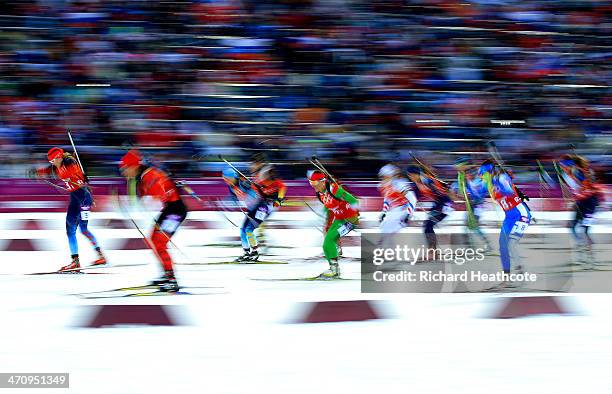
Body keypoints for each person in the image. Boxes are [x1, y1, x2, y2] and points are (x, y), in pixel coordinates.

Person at [118, 150, 187, 292]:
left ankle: (171, 279)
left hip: (176, 210)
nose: (123, 173)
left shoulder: (150, 175)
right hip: (169, 209)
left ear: (133, 166)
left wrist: (132, 206)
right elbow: (144, 200)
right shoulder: (140, 177)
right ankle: (166, 274)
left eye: (125, 169)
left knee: (159, 242)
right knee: (153, 240)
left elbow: (155, 199)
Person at [29, 147, 105, 272]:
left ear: (59, 157)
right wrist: (37, 173)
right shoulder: (56, 165)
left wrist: (80, 175)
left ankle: (100, 256)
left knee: (84, 230)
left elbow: (72, 170)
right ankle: (75, 261)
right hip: (74, 199)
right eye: (51, 161)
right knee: (70, 230)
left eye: (53, 160)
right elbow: (47, 170)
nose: (52, 163)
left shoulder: (69, 161)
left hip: (84, 199)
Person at [478, 160, 531, 284]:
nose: (481, 176)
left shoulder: (501, 178)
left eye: (483, 174)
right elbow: (478, 192)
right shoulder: (489, 184)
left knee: (511, 244)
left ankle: (520, 272)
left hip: (520, 214)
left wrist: (500, 184)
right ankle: (506, 277)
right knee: (502, 245)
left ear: (489, 172)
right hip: (509, 217)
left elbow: (510, 192)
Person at [225, 163, 286, 262]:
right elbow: (234, 197)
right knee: (242, 230)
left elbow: (256, 189)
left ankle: (255, 252)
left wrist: (278, 198)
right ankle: (246, 253)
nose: (226, 181)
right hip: (252, 209)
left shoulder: (244, 183)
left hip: (262, 207)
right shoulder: (232, 187)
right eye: (224, 179)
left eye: (227, 178)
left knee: (249, 229)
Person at [307, 170, 359, 278]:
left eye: (315, 184)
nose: (313, 187)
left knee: (330, 240)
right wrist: (324, 217)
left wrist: (355, 214)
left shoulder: (334, 189)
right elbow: (328, 207)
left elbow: (354, 201)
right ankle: (333, 269)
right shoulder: (319, 193)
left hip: (349, 221)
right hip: (339, 220)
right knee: (326, 244)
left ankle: (334, 270)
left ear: (322, 182)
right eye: (311, 184)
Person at [558, 155, 603, 263]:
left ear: (569, 165)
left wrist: (577, 196)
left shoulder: (578, 172)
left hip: (590, 204)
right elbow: (576, 189)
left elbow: (586, 188)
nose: (562, 168)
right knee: (572, 226)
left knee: (585, 230)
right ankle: (582, 247)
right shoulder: (568, 174)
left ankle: (589, 255)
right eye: (561, 166)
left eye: (563, 166)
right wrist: (574, 198)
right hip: (582, 202)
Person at [406, 164, 453, 253]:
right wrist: (408, 215)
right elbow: (414, 200)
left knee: (428, 226)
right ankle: (433, 250)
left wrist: (441, 186)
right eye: (409, 175)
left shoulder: (428, 181)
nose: (410, 177)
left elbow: (442, 194)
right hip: (437, 205)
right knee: (428, 226)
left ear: (416, 174)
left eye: (411, 175)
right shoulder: (416, 186)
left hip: (445, 205)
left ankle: (433, 250)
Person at [453, 159, 492, 252]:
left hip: (478, 205)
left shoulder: (477, 179)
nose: (467, 176)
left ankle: (486, 244)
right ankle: (470, 247)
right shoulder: (463, 177)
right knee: (467, 226)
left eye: (468, 175)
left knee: (474, 226)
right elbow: (461, 191)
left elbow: (482, 191)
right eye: (466, 175)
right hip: (472, 205)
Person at [378, 163, 417, 235]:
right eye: (382, 177)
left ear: (391, 176)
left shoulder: (399, 184)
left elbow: (413, 199)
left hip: (404, 209)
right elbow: (387, 199)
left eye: (385, 177)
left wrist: (408, 214)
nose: (383, 179)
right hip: (395, 209)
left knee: (390, 231)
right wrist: (384, 212)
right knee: (383, 229)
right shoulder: (383, 185)